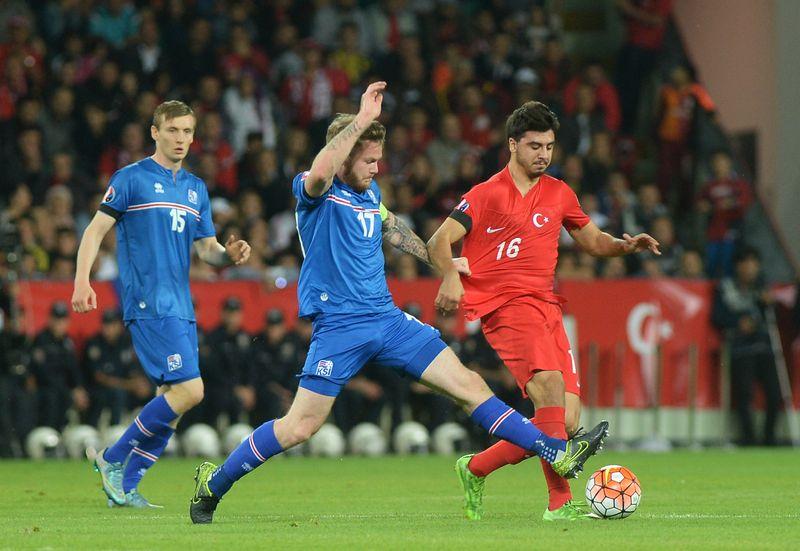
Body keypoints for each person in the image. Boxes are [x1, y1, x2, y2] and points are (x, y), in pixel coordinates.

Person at [189, 83, 608, 524]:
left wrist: (443, 263)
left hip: (388, 321)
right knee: (300, 426)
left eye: (378, 159)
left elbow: (396, 231)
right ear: (345, 156)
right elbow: (321, 169)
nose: (377, 167)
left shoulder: (370, 196)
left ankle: (555, 452)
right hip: (340, 327)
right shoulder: (316, 193)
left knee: (470, 386)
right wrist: (360, 121)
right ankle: (214, 483)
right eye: (369, 160)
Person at [427, 100, 660, 522]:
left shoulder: (559, 193)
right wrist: (449, 276)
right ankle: (560, 503)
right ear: (512, 144)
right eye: (535, 146)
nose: (543, 155)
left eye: (549, 146)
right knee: (550, 390)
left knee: (564, 422)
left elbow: (593, 240)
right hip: (505, 306)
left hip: (546, 306)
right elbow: (438, 241)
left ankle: (475, 467)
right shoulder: (485, 195)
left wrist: (624, 246)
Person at [71, 100, 251, 508]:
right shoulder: (130, 178)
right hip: (148, 302)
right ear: (155, 132)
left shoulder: (195, 188)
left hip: (181, 306)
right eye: (173, 130)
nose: (181, 139)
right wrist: (82, 281)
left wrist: (230, 254)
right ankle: (112, 458)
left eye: (187, 131)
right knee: (191, 390)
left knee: (173, 400)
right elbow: (95, 231)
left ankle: (126, 487)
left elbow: (207, 250)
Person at [712, 248, 780, 446]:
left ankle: (769, 438)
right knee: (744, 395)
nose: (750, 268)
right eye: (746, 263)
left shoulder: (763, 288)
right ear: (738, 266)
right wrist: (738, 323)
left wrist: (768, 304)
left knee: (775, 393)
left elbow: (772, 318)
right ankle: (749, 438)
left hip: (765, 347)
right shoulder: (726, 287)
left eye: (754, 263)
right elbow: (717, 316)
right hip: (740, 349)